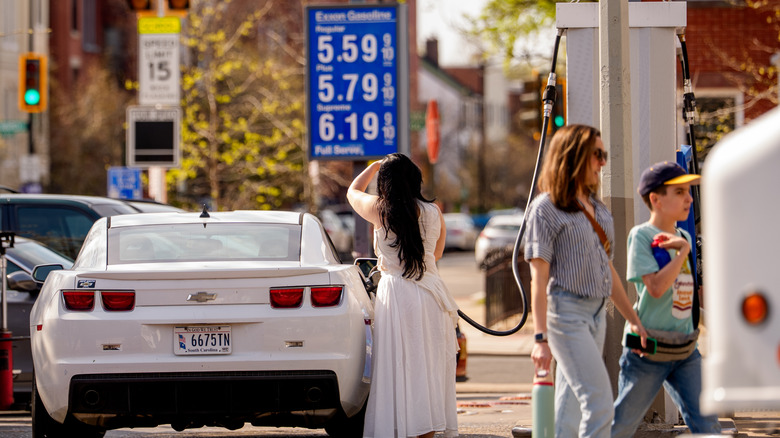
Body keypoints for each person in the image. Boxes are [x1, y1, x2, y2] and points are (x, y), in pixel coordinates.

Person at [523, 124, 647, 438]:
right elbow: (539, 279)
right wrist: (540, 339)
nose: (603, 162)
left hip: (596, 313)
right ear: (575, 156)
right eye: (598, 154)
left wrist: (633, 319)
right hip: (566, 314)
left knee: (570, 407)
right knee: (600, 401)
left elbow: (608, 271)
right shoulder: (546, 209)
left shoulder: (599, 210)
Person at [347, 153, 459, 438]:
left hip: (397, 295)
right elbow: (437, 254)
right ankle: (427, 429)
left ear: (387, 182)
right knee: (428, 367)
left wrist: (373, 167)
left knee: (399, 366)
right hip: (431, 294)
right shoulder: (435, 213)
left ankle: (402, 428)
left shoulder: (380, 210)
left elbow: (352, 192)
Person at [611, 161, 721, 437]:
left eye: (689, 191)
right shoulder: (642, 236)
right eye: (680, 192)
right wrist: (683, 252)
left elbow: (684, 296)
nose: (689, 198)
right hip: (648, 351)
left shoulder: (683, 235)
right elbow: (657, 288)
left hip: (686, 351)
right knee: (622, 426)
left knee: (708, 426)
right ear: (656, 200)